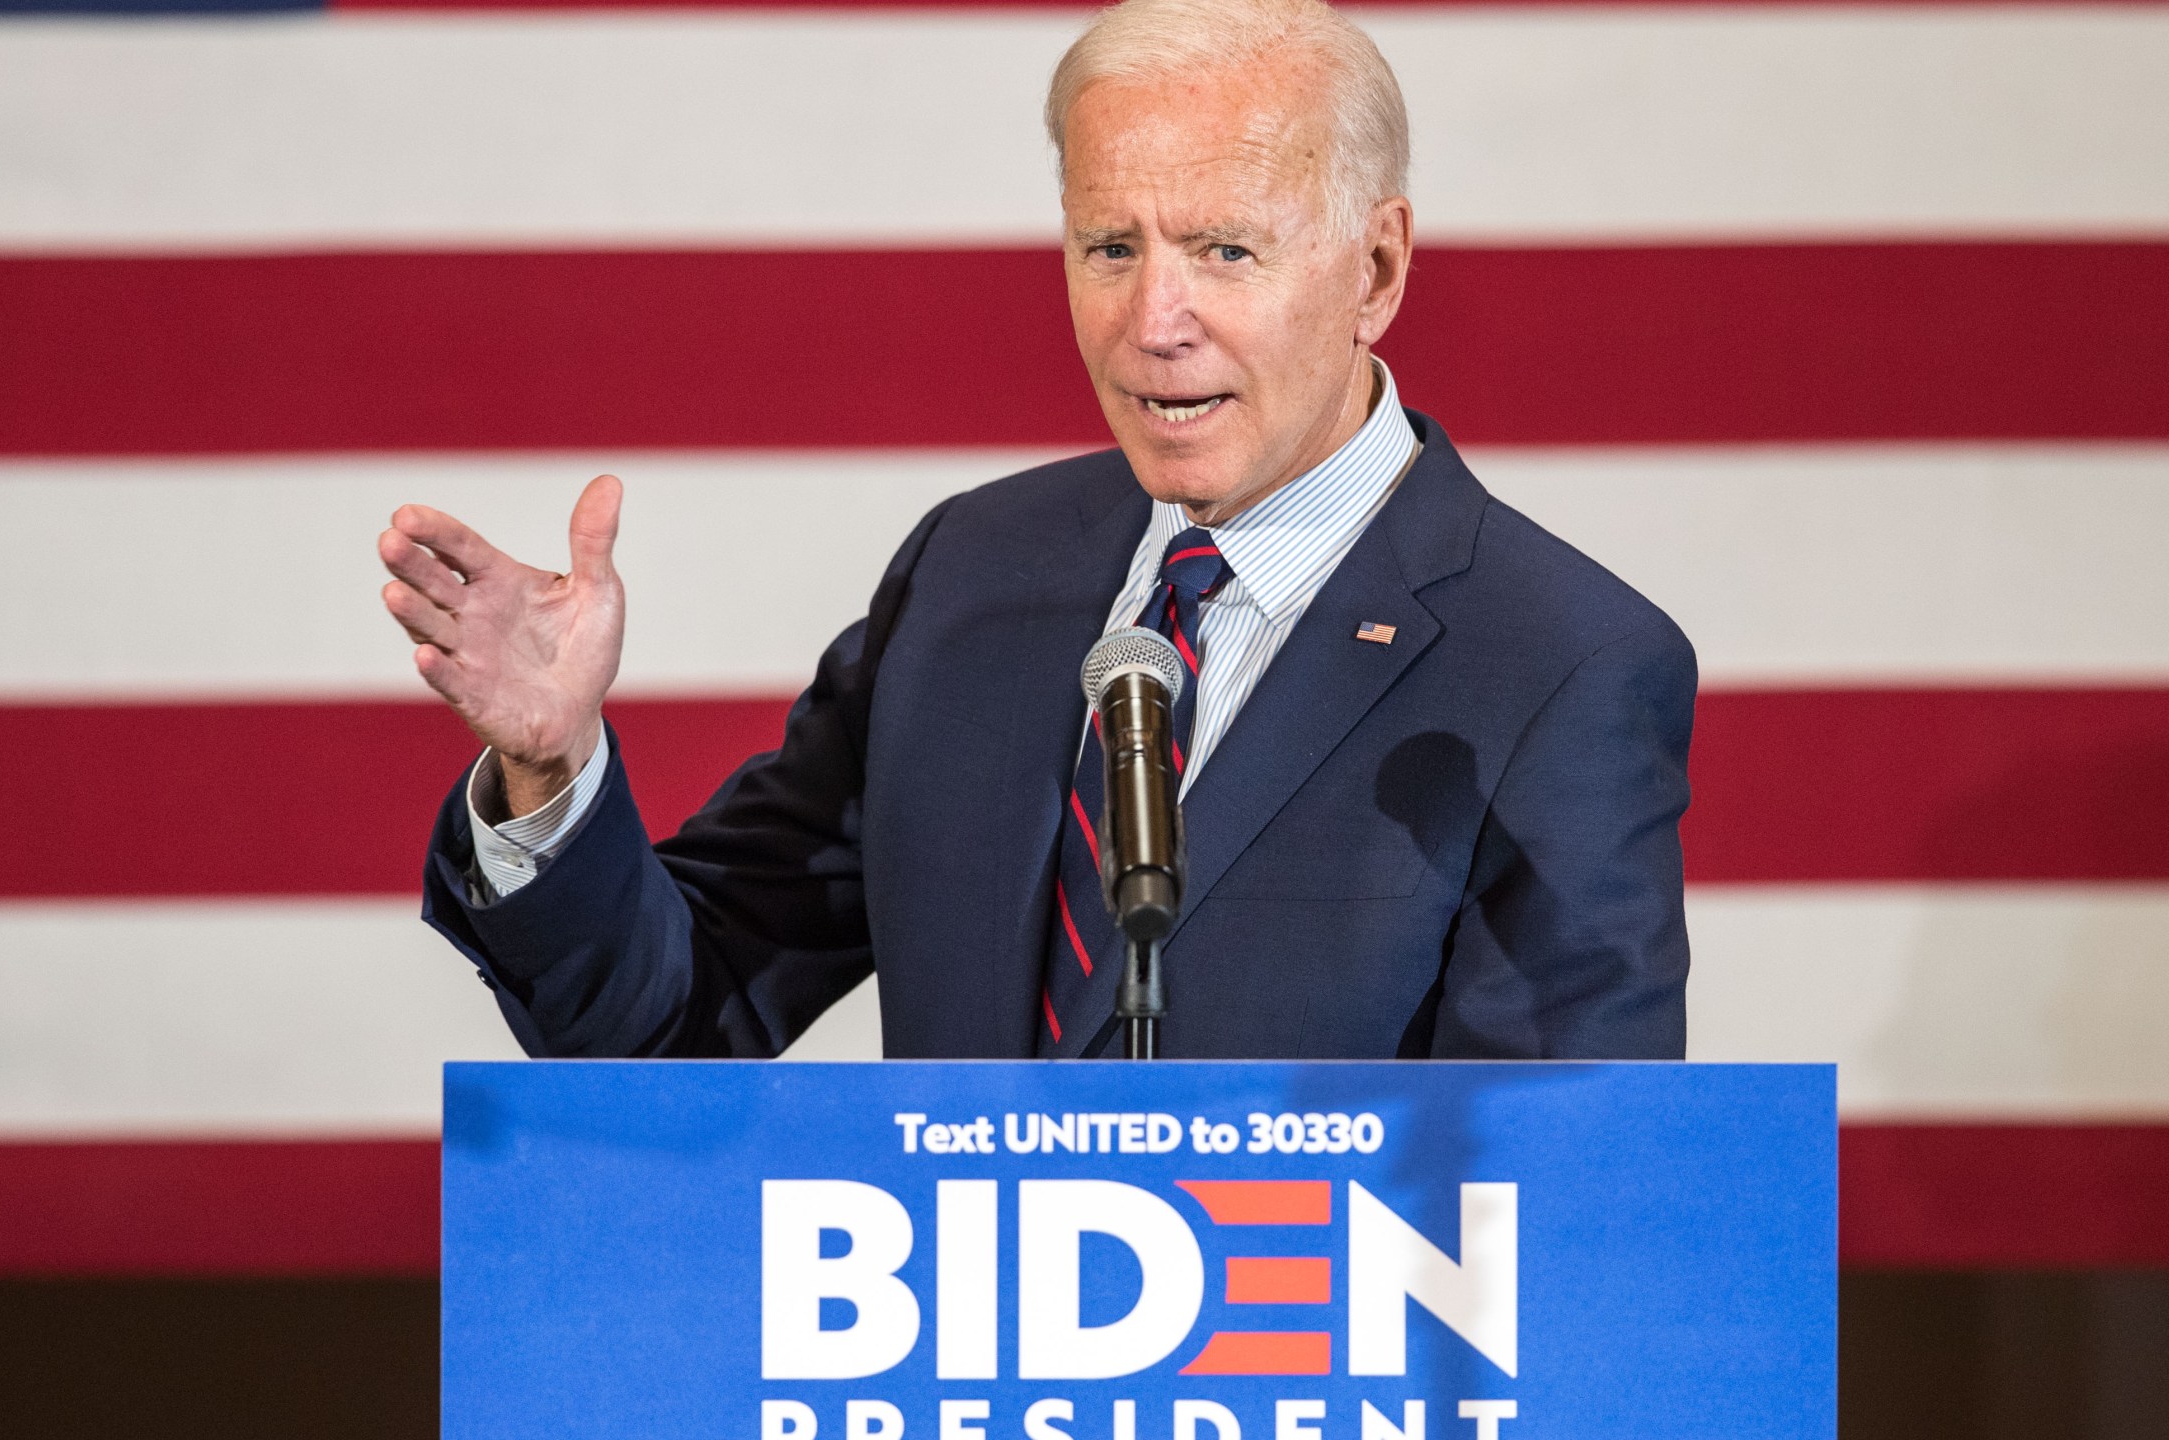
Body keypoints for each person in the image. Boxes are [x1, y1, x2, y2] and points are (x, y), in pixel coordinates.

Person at [378, 0, 1695, 1060]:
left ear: (1377, 269)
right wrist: (553, 774)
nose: (1153, 321)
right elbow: (670, 1024)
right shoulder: (974, 574)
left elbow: (1559, 1213)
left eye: (1226, 251)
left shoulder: (1561, 664)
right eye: (1108, 245)